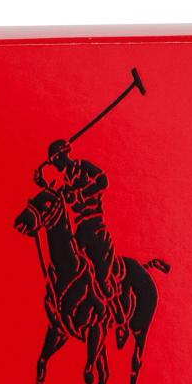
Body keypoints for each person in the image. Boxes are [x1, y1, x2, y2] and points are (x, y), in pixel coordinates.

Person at [35, 139, 127, 342]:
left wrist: (80, 194)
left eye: (54, 161)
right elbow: (56, 200)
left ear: (62, 155)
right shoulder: (65, 181)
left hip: (96, 230)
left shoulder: (83, 167)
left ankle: (120, 320)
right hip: (80, 234)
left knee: (103, 279)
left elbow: (103, 181)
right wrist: (42, 183)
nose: (54, 165)